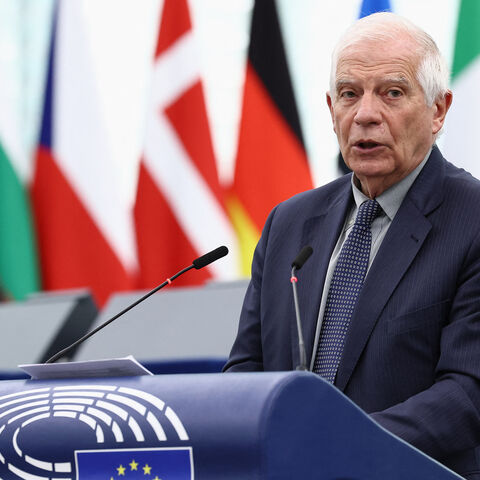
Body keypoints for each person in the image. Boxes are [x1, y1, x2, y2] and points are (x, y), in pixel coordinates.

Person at [224, 12, 480, 479]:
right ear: (331, 109)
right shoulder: (289, 222)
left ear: (438, 110)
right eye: (349, 94)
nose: (364, 114)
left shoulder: (472, 219)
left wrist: (336, 442)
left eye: (392, 93)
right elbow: (246, 368)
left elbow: (467, 393)